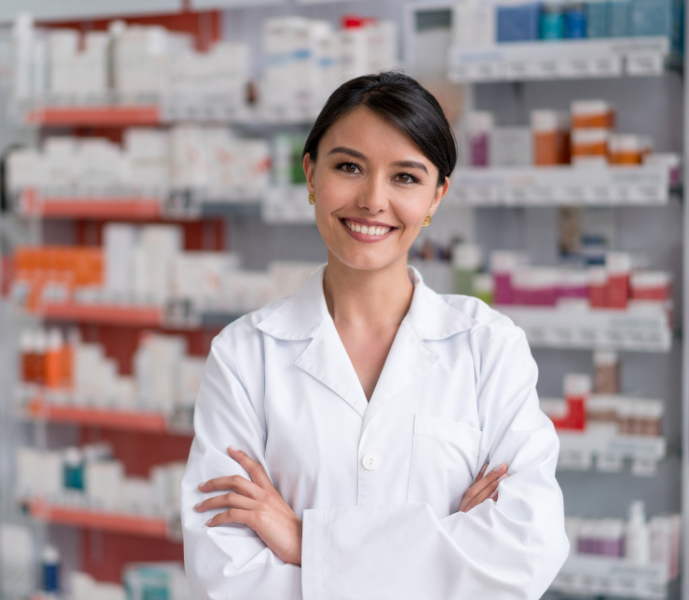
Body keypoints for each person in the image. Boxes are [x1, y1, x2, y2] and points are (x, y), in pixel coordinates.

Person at [181, 71, 569, 600]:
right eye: (348, 167)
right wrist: (446, 544)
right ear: (311, 173)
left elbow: (525, 550)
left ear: (437, 196)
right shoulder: (245, 356)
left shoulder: (488, 347)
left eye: (406, 178)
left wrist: (305, 543)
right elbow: (222, 576)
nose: (372, 200)